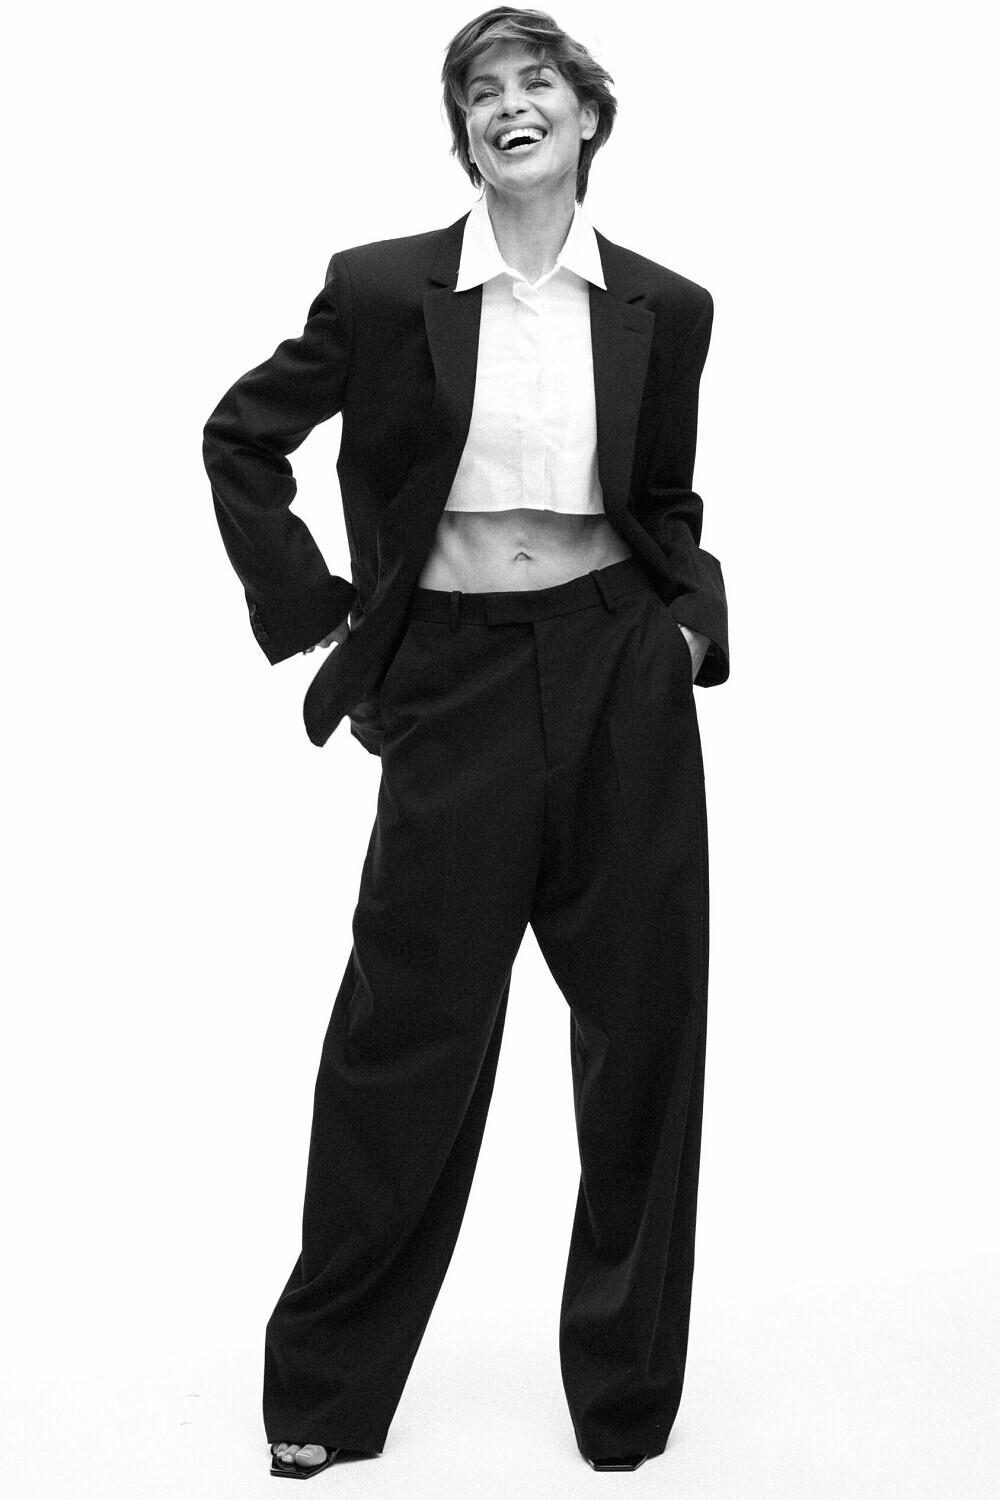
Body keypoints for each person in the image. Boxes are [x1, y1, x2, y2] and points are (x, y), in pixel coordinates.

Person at [202, 5, 729, 1478]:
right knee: (403, 1045)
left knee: (644, 1043)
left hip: (619, 673)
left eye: (536, 80)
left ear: (586, 115)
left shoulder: (668, 306)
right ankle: (324, 1397)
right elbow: (241, 436)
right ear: (466, 136)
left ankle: (624, 1408)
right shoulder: (385, 289)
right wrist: (322, 613)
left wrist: (686, 627)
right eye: (481, 91)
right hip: (452, 684)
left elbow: (663, 502)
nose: (511, 104)